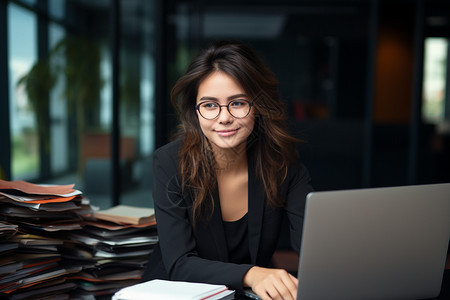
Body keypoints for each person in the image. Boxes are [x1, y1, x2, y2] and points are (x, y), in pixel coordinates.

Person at [142, 40, 313, 300]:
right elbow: (180, 264)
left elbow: (313, 247)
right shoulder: (169, 163)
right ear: (195, 112)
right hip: (180, 293)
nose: (224, 118)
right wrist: (253, 274)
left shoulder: (283, 164)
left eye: (238, 103)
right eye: (210, 105)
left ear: (258, 106)